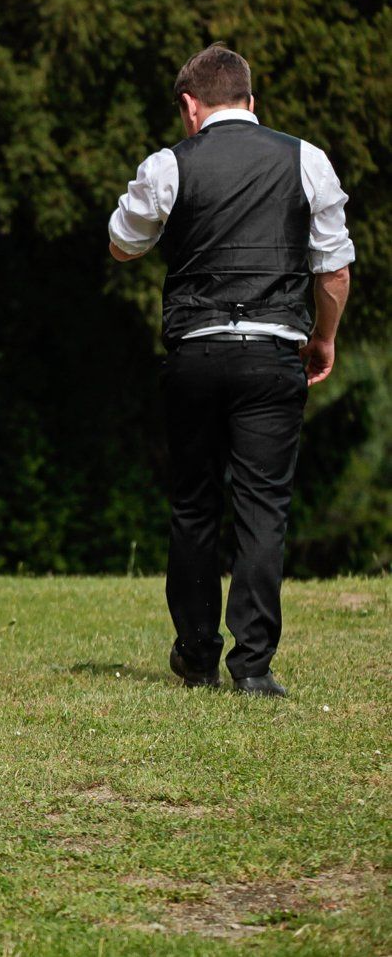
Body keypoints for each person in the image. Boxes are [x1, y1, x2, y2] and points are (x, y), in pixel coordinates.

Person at [109, 43, 354, 697]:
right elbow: (333, 269)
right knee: (263, 506)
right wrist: (323, 338)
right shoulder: (306, 160)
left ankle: (195, 653)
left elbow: (123, 243)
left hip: (196, 350)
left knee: (194, 503)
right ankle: (253, 665)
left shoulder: (169, 165)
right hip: (275, 349)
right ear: (252, 100)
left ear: (190, 106)